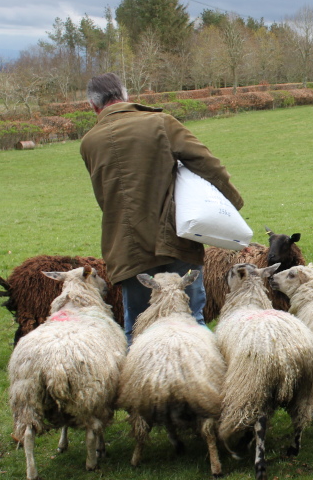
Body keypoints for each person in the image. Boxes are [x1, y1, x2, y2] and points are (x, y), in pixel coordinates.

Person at [80, 72, 243, 342]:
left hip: (126, 248)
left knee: (138, 325)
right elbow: (208, 164)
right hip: (175, 240)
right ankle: (202, 379)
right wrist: (232, 206)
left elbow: (105, 196)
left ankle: (140, 383)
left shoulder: (89, 142)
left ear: (93, 106)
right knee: (192, 318)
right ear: (125, 96)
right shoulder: (160, 123)